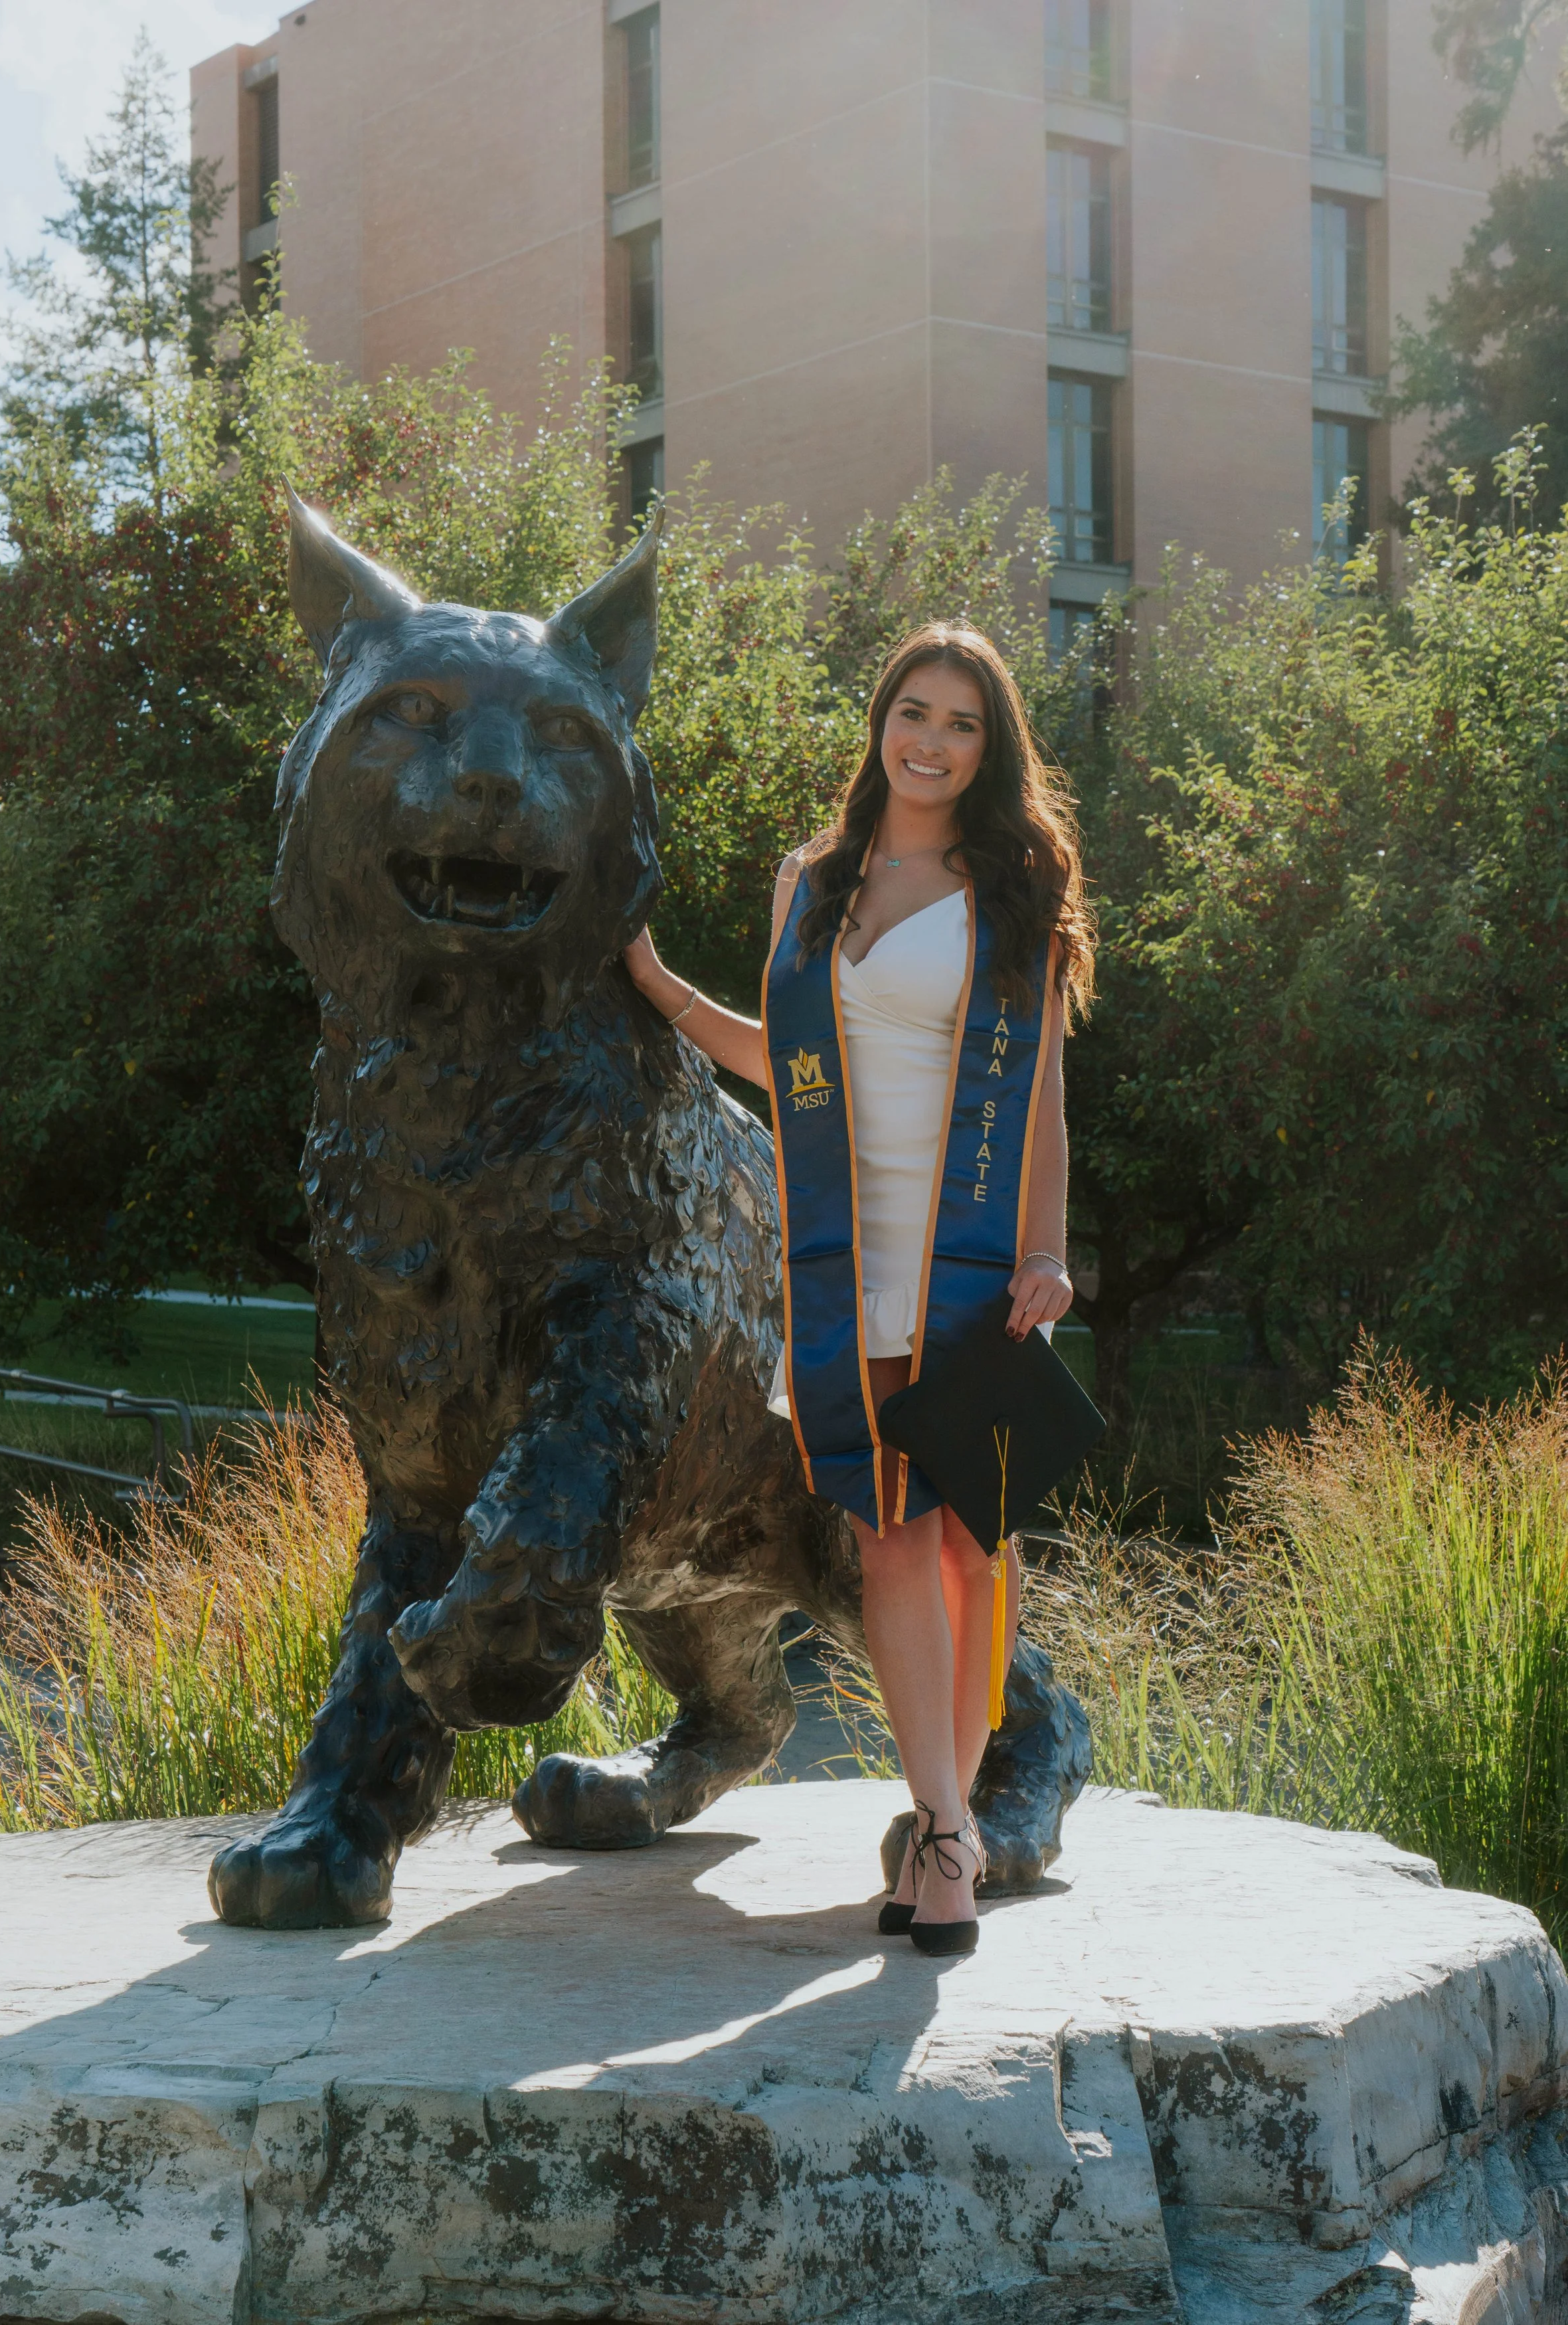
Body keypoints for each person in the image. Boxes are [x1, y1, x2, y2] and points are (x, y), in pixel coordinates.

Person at [624, 622, 1094, 1956]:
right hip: (844, 1255)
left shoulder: (1015, 885)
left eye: (958, 722)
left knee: (959, 1546)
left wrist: (1046, 1252)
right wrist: (658, 988)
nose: (929, 741)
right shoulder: (812, 882)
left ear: (986, 747)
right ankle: (944, 1829)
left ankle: (939, 1835)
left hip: (967, 1260)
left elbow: (1044, 1102)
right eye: (911, 710)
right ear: (879, 719)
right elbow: (788, 1067)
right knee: (886, 1537)